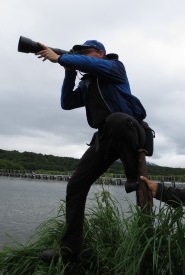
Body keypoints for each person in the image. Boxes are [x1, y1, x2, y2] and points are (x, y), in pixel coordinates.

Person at [36, 39, 147, 262]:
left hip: (129, 130)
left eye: (88, 53)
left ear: (100, 53)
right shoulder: (86, 83)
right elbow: (67, 103)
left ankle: (132, 174)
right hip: (104, 137)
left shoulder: (115, 67)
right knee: (75, 186)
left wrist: (60, 57)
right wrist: (68, 71)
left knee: (116, 120)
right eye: (82, 54)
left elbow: (93, 66)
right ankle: (69, 250)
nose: (85, 57)